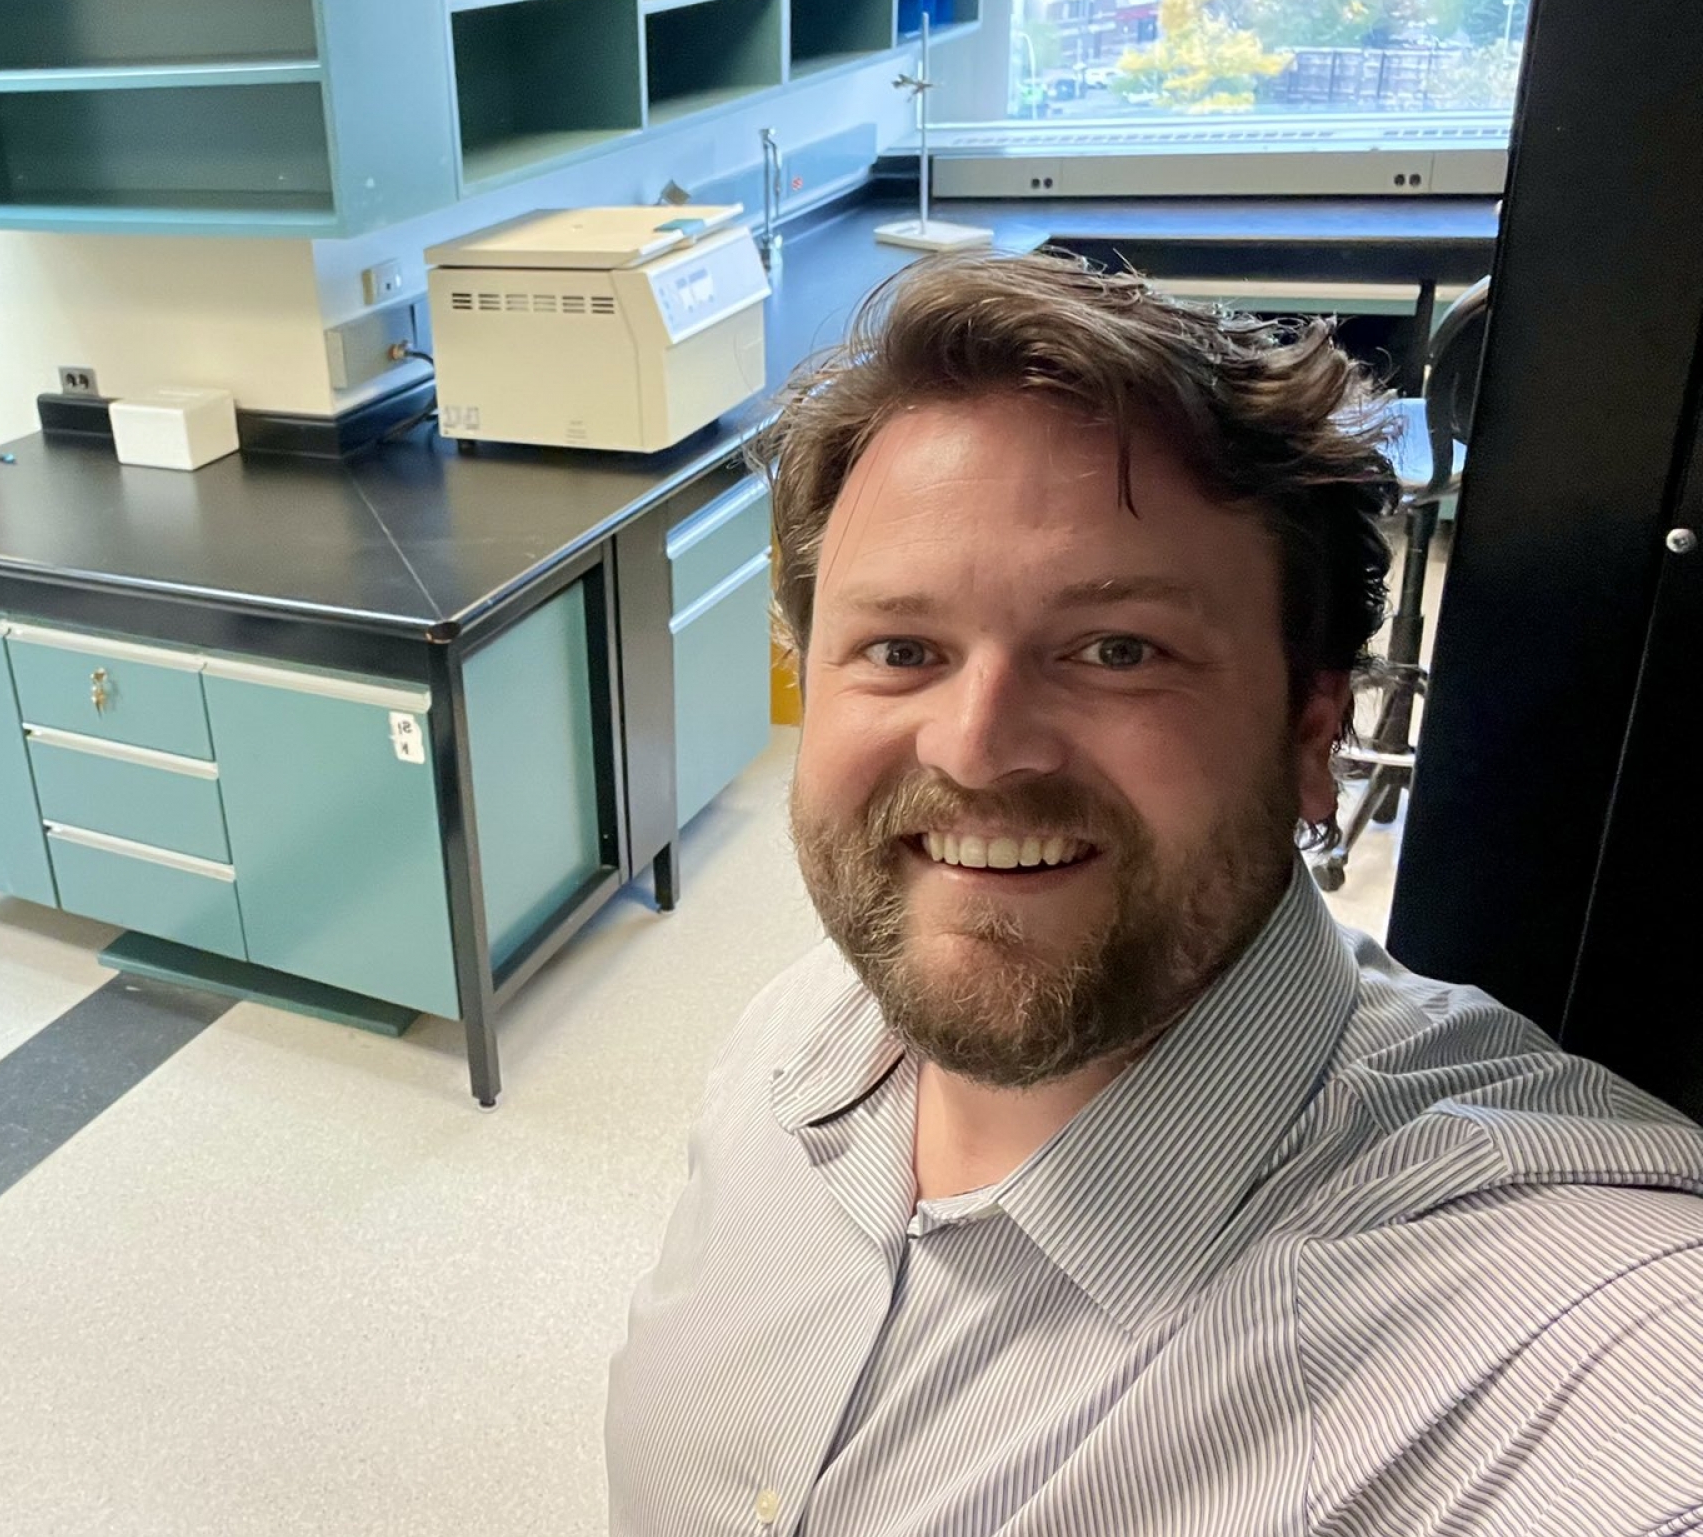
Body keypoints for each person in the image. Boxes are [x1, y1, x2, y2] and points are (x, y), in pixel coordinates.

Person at [606, 255, 1703, 1535]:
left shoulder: (1545, 1324)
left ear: (1310, 732)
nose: (972, 748)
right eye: (901, 649)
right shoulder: (791, 1039)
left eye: (1117, 650)